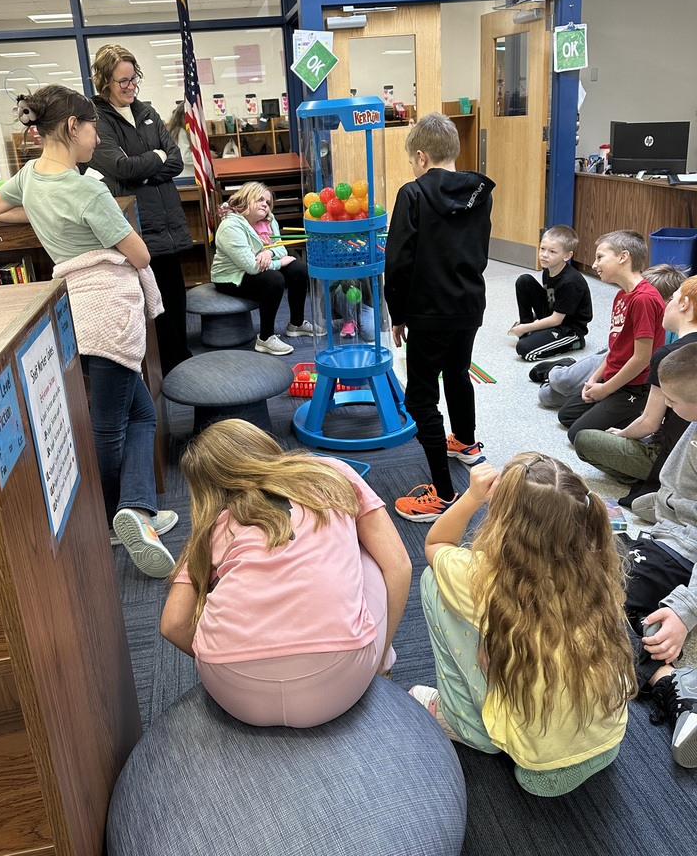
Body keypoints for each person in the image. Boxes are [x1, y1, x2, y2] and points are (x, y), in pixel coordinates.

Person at [0, 85, 177, 578]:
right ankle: (122, 516)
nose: (98, 138)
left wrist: (47, 215)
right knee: (112, 422)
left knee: (139, 413)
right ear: (73, 127)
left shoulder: (30, 176)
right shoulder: (87, 188)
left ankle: (137, 509)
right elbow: (140, 255)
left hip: (74, 309)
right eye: (93, 127)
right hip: (106, 307)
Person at [159, 419, 412, 727]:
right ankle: (384, 663)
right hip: (340, 680)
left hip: (232, 691)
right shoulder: (330, 473)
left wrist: (218, 656)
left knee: (231, 571)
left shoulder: (214, 526)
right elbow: (399, 566)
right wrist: (375, 657)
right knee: (367, 553)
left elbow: (173, 624)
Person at [410, 455, 635, 796]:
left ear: (503, 520)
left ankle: (467, 724)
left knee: (432, 581)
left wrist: (471, 498)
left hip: (536, 762)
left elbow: (435, 544)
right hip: (607, 739)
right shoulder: (600, 562)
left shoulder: (481, 578)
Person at [385, 111, 495, 520]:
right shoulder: (480, 192)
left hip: (429, 312)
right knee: (458, 370)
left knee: (420, 397)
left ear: (420, 156)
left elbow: (396, 263)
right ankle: (465, 442)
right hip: (469, 305)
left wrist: (398, 314)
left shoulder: (412, 194)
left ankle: (444, 494)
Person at [88, 43, 193, 377]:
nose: (131, 86)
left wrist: (146, 170)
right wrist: (154, 159)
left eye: (134, 79)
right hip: (138, 228)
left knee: (176, 299)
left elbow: (174, 160)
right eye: (123, 81)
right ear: (104, 82)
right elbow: (120, 167)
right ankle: (168, 371)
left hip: (168, 223)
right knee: (151, 306)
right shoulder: (97, 120)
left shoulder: (147, 111)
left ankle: (183, 363)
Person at [620, 342, 697, 768]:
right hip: (670, 535)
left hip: (683, 550)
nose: (665, 405)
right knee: (591, 567)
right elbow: (678, 494)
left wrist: (685, 611)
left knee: (597, 601)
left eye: (672, 400)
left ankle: (674, 684)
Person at [574, 274, 697, 506]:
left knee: (584, 439)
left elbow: (649, 423)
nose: (666, 304)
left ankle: (653, 480)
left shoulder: (668, 354)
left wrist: (621, 434)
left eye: (672, 298)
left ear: (684, 304)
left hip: (672, 456)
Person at [555, 230, 665, 444]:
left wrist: (605, 389)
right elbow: (614, 348)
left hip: (635, 387)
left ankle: (640, 411)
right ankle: (614, 407)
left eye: (600, 257)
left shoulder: (644, 298)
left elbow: (642, 358)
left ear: (623, 257)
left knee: (576, 435)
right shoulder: (621, 295)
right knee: (566, 416)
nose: (594, 265)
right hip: (613, 378)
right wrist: (595, 379)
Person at [211, 181, 321, 355]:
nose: (265, 205)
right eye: (260, 199)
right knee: (274, 279)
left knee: (299, 269)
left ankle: (296, 324)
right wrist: (279, 262)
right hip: (232, 276)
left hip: (260, 266)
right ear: (246, 200)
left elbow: (281, 247)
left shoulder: (269, 220)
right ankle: (265, 338)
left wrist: (268, 254)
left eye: (268, 202)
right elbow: (252, 266)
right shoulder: (230, 226)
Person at [508, 224, 592, 362]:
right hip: (555, 315)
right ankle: (526, 330)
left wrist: (526, 328)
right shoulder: (548, 270)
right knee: (524, 281)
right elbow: (551, 300)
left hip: (568, 328)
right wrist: (528, 322)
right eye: (542, 249)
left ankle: (573, 343)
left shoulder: (570, 282)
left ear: (567, 256)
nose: (544, 255)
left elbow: (556, 320)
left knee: (524, 350)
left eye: (552, 252)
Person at [165, 100, 195, 181]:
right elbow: (186, 157)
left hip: (183, 175)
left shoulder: (176, 131)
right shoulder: (180, 132)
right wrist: (203, 156)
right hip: (187, 176)